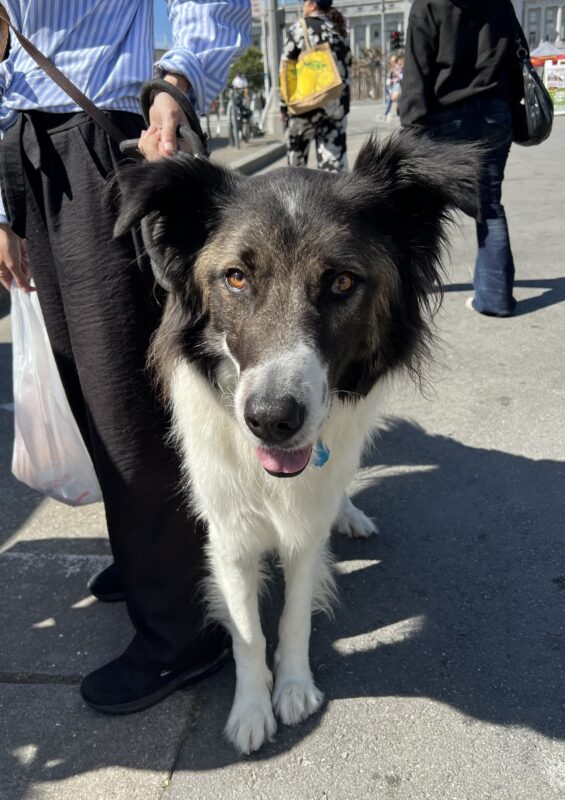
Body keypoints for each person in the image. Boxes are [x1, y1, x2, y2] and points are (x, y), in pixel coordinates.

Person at [0, 0, 250, 714]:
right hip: (28, 144)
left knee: (126, 403)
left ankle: (183, 632)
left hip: (101, 141)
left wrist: (177, 77)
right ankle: (154, 561)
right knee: (84, 382)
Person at [399, 0, 527, 318]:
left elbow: (417, 71)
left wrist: (411, 131)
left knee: (426, 212)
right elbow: (516, 57)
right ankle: (494, 296)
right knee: (489, 207)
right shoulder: (500, 4)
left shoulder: (428, 5)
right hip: (495, 113)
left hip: (446, 119)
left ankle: (416, 293)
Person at [280, 0, 352, 172]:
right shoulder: (340, 30)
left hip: (305, 105)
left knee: (296, 164)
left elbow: (286, 70)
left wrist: (284, 106)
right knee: (334, 165)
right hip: (335, 104)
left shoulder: (300, 28)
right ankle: (335, 198)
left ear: (312, 4)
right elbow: (348, 65)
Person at [383, 54, 404, 124]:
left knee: (397, 101)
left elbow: (401, 77)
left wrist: (396, 78)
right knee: (391, 101)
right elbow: (389, 79)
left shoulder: (399, 68)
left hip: (398, 86)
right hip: (393, 87)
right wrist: (391, 80)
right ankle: (386, 114)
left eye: (394, 61)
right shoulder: (392, 70)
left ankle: (399, 114)